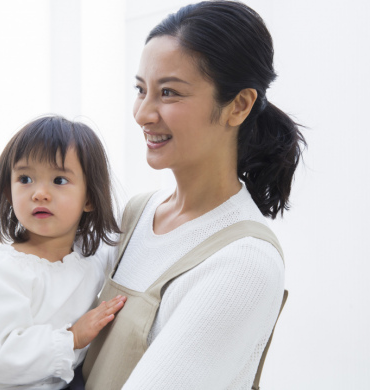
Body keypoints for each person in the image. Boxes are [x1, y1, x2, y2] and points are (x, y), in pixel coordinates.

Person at [80, 1, 306, 389]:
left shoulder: (244, 262)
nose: (143, 113)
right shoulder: (136, 215)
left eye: (168, 93)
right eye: (141, 89)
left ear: (239, 105)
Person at [0, 116, 126, 390]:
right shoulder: (0, 274)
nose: (40, 193)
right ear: (9, 193)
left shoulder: (91, 256)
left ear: (90, 198)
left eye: (59, 180)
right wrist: (72, 337)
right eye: (25, 179)